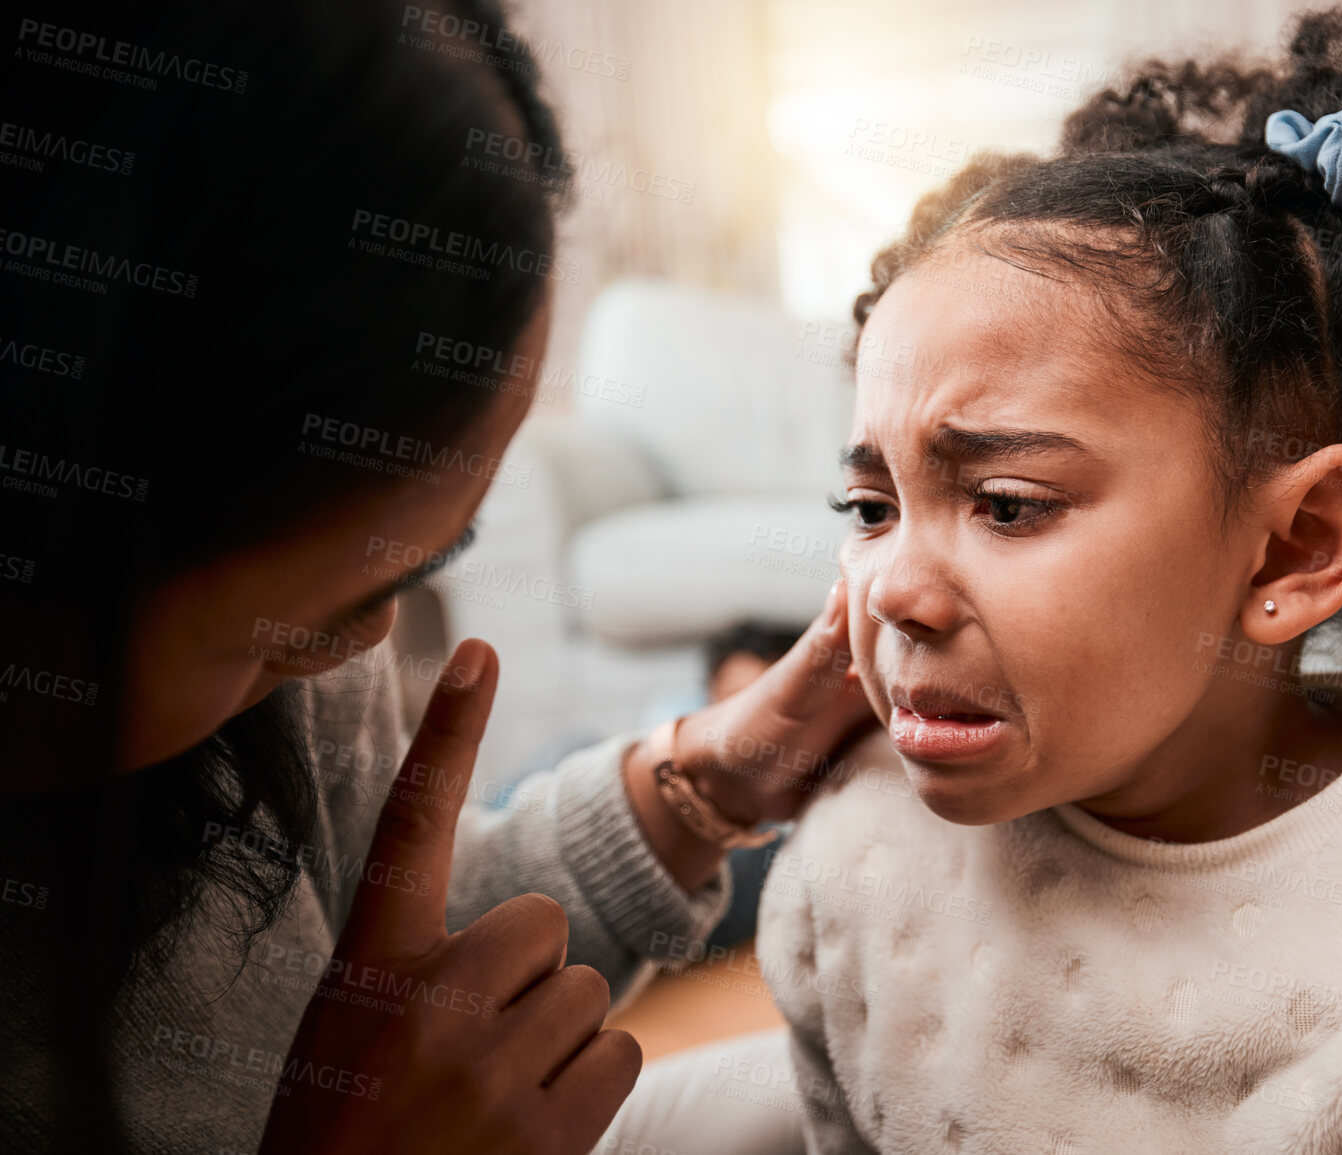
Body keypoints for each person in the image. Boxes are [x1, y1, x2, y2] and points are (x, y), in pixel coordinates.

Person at [744, 1, 1342, 1150]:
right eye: (871, 507)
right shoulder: (855, 879)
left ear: (1296, 545)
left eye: (1008, 505)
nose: (892, 593)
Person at [0, 2, 867, 1153]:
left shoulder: (268, 709)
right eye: (308, 621)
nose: (364, 648)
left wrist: (701, 782)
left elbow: (388, 964)